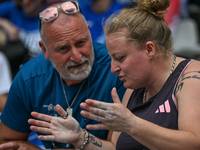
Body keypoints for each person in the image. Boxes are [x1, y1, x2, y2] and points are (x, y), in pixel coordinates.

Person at [24, 0, 200, 149]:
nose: (113, 68)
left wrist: (133, 125)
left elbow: (195, 142)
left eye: (120, 58)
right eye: (111, 59)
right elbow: (116, 147)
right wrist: (80, 138)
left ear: (149, 49)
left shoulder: (191, 77)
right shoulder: (134, 86)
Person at [0, 1, 126, 150]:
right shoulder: (29, 77)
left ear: (89, 34)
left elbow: (120, 147)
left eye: (81, 42)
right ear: (44, 50)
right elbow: (7, 141)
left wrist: (80, 138)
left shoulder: (118, 69)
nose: (77, 56)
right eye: (63, 48)